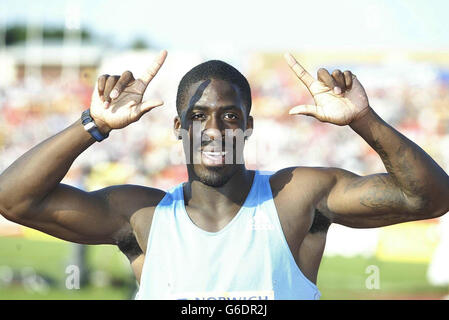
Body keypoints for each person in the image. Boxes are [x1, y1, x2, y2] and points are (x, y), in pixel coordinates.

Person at [0, 50, 448, 300]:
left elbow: (429, 198)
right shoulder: (142, 217)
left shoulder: (295, 198)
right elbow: (13, 200)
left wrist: (363, 119)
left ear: (248, 126)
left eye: (230, 117)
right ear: (179, 128)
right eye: (198, 116)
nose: (213, 130)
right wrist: (92, 126)